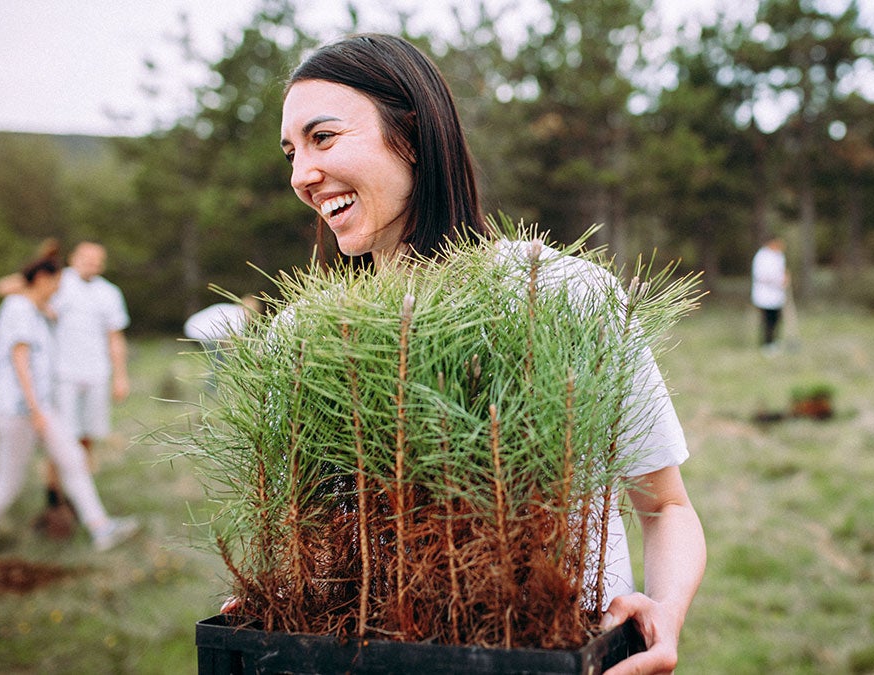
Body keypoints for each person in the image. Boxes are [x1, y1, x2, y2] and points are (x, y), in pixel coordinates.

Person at [266, 33, 705, 673]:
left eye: (323, 138)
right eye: (291, 152)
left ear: (412, 136)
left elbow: (666, 507)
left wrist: (667, 610)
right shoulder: (304, 339)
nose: (302, 175)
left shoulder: (561, 295)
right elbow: (313, 546)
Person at [0, 255, 138, 557]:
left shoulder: (34, 309)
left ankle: (101, 529)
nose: (58, 290)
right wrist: (35, 411)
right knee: (8, 482)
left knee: (73, 460)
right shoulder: (18, 309)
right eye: (56, 283)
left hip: (40, 408)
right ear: (42, 280)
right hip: (17, 411)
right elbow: (20, 362)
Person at [38, 242, 131, 533]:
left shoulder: (110, 292)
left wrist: (120, 375)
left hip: (96, 374)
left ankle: (81, 498)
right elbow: (26, 293)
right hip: (63, 374)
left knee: (87, 436)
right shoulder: (58, 282)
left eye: (96, 260)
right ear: (73, 259)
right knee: (62, 437)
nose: (91, 263)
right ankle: (54, 495)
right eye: (85, 258)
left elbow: (115, 337)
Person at [751, 236, 789, 351]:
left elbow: (780, 271)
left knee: (776, 319)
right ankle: (767, 343)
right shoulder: (762, 256)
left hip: (777, 295)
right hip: (765, 295)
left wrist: (785, 278)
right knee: (768, 320)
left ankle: (774, 341)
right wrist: (778, 280)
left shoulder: (779, 256)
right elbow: (761, 275)